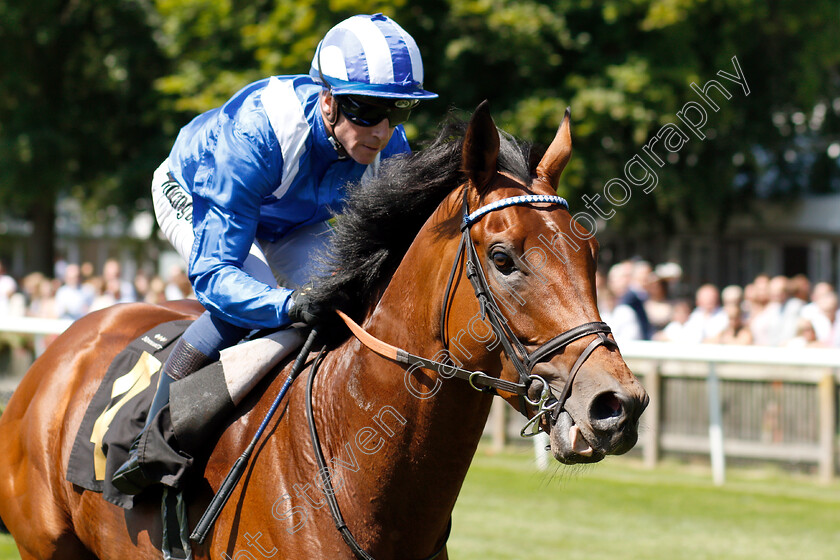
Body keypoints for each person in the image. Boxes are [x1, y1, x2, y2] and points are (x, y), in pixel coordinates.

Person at [112, 13, 437, 494]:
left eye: (398, 112)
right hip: (196, 191)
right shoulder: (258, 133)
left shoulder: (389, 148)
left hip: (289, 220)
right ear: (327, 99)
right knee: (252, 307)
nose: (382, 130)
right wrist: (285, 304)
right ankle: (148, 443)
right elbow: (215, 273)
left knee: (347, 301)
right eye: (365, 109)